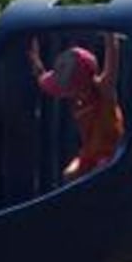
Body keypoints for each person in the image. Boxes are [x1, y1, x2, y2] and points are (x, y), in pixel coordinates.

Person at [28, 32, 124, 177]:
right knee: (69, 174)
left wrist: (110, 36)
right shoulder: (76, 97)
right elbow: (44, 81)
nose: (63, 92)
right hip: (89, 154)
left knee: (100, 172)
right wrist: (35, 60)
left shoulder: (103, 90)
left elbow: (112, 63)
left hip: (110, 154)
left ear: (78, 84)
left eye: (67, 88)